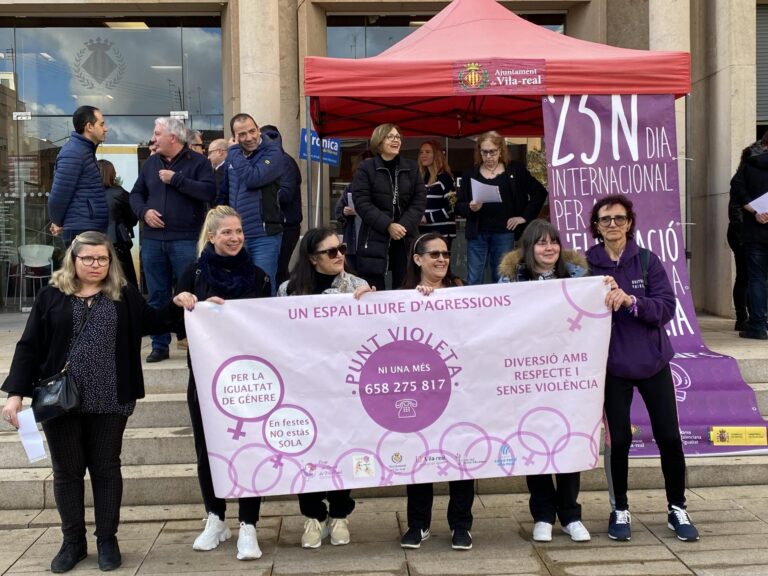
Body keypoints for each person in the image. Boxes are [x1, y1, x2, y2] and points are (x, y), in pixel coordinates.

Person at [1, 231, 183, 573]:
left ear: (110, 261)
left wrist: (179, 302)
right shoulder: (51, 296)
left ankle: (107, 539)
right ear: (73, 259)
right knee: (67, 472)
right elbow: (29, 346)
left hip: (111, 397)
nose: (96, 264)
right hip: (60, 400)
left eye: (102, 258)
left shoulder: (123, 295)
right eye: (88, 258)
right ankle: (73, 542)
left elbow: (157, 322)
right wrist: (14, 396)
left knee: (105, 468)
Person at [586, 194, 699, 543]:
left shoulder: (648, 261)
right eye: (605, 220)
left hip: (652, 362)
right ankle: (619, 507)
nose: (613, 225)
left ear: (630, 223)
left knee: (668, 436)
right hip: (612, 366)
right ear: (596, 227)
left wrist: (632, 302)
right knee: (618, 440)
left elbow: (666, 308)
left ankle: (677, 507)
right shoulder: (585, 265)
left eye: (619, 218)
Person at [173, 206, 270, 561]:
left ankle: (248, 524)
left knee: (250, 449)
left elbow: (268, 324)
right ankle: (215, 516)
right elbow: (174, 322)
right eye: (227, 232)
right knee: (206, 448)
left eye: (239, 231)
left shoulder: (259, 277)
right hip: (205, 377)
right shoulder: (192, 273)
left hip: (250, 379)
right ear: (211, 236)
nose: (234, 238)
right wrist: (182, 302)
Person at [277, 227, 373, 548]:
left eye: (342, 248)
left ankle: (340, 513)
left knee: (343, 446)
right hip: (305, 385)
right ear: (312, 258)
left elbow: (375, 332)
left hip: (346, 386)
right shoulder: (288, 291)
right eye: (331, 251)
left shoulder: (357, 286)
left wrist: (372, 304)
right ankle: (313, 516)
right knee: (308, 450)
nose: (340, 255)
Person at [497, 219, 591, 543]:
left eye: (553, 242)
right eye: (541, 243)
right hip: (526, 375)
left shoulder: (579, 277)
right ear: (528, 248)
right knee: (533, 442)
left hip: (567, 373)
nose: (549, 248)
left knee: (569, 438)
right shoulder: (509, 279)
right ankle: (542, 514)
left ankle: (570, 514)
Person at [399, 232, 474, 551]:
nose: (442, 259)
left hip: (459, 388)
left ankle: (461, 525)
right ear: (418, 260)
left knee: (462, 455)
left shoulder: (461, 291)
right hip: (420, 390)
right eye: (434, 254)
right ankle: (418, 524)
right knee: (418, 455)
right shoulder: (402, 296)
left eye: (445, 253)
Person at [129, 116, 216, 363]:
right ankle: (160, 345)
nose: (153, 138)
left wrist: (176, 179)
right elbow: (135, 195)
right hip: (154, 241)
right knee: (157, 293)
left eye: (157, 133)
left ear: (173, 137)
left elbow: (209, 192)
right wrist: (143, 212)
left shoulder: (198, 162)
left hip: (186, 239)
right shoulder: (150, 164)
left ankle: (193, 342)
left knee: (190, 292)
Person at [455, 131, 547, 285]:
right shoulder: (471, 174)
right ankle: (474, 308)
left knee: (502, 277)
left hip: (504, 232)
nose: (489, 156)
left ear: (501, 151)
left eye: (493, 152)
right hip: (478, 233)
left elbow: (540, 192)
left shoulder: (514, 170)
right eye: (484, 152)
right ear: (479, 152)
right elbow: (459, 205)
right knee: (474, 277)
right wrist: (471, 207)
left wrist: (523, 217)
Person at [350, 123, 426, 290]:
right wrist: (388, 225)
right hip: (375, 236)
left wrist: (402, 226)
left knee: (406, 287)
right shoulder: (366, 168)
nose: (395, 140)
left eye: (398, 137)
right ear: (379, 141)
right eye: (390, 137)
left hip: (405, 237)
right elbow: (361, 201)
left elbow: (419, 201)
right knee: (374, 290)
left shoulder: (412, 167)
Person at [217, 113, 284, 293]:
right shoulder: (235, 156)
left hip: (264, 237)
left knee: (263, 288)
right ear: (234, 137)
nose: (249, 137)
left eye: (252, 131)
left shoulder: (274, 153)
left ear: (258, 129)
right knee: (237, 289)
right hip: (236, 237)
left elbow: (253, 178)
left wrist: (233, 152)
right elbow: (224, 192)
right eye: (242, 134)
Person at [48, 106, 109, 246]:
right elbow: (59, 194)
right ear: (89, 127)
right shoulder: (74, 153)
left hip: (86, 228)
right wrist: (57, 221)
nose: (106, 129)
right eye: (101, 124)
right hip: (81, 231)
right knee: (83, 268)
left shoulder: (83, 151)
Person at [729, 135, 768, 337]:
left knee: (756, 279)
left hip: (755, 232)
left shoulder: (749, 165)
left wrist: (755, 212)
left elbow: (736, 189)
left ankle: (758, 326)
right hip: (751, 233)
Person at [261, 125, 303, 286]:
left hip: (285, 226)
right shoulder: (273, 162)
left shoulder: (284, 162)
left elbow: (285, 194)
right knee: (275, 270)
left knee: (278, 270)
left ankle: (280, 303)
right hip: (277, 224)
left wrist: (262, 193)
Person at [97, 159, 138, 288]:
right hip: (117, 243)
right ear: (112, 174)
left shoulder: (87, 194)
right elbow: (133, 217)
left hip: (93, 242)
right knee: (124, 283)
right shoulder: (119, 193)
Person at [335, 150, 374, 272]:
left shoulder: (379, 189)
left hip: (371, 245)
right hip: (352, 244)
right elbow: (338, 212)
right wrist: (344, 212)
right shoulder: (350, 188)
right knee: (352, 277)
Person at [418, 140, 457, 247]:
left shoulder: (445, 178)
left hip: (441, 233)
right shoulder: (422, 179)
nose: (423, 155)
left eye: (427, 152)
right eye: (421, 152)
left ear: (437, 155)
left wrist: (427, 217)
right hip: (424, 233)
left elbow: (452, 207)